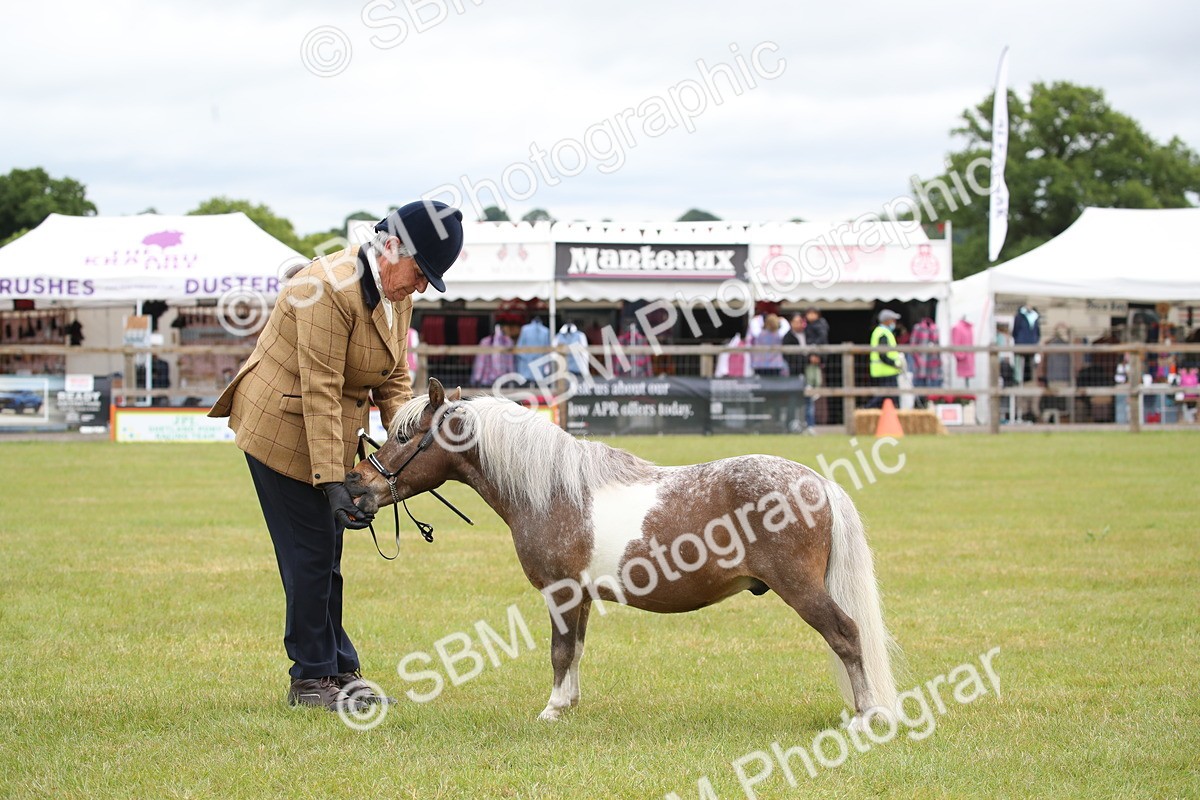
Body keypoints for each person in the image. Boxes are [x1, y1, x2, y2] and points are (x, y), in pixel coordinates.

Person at [208, 200, 465, 712]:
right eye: (420, 273)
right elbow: (320, 388)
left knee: (328, 555)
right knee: (309, 555)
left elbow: (393, 376)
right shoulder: (325, 287)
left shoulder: (394, 292)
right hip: (281, 427)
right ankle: (310, 680)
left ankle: (339, 669)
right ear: (391, 247)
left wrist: (406, 439)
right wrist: (332, 483)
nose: (419, 287)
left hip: (325, 429)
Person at [867, 309, 905, 408]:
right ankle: (867, 408)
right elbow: (882, 354)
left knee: (885, 397)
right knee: (886, 397)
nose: (894, 323)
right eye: (893, 320)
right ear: (887, 320)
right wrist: (894, 363)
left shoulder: (882, 332)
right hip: (885, 371)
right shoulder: (883, 333)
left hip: (886, 371)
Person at [782, 313, 810, 433]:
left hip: (806, 372)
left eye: (800, 321)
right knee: (793, 400)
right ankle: (790, 424)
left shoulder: (807, 335)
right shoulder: (788, 337)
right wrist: (805, 360)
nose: (799, 324)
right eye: (796, 321)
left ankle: (807, 424)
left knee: (808, 398)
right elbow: (788, 356)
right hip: (793, 373)